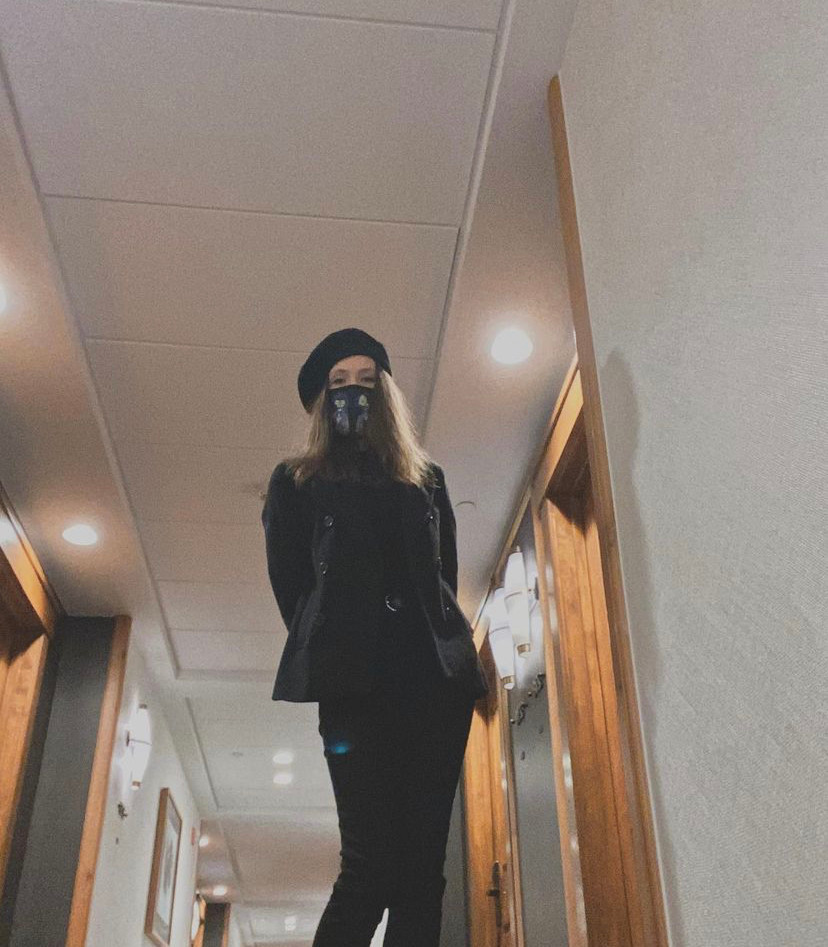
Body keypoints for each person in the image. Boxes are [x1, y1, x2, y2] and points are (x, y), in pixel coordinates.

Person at [261, 327, 489, 947]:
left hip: (433, 688)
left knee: (422, 874)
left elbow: (442, 582)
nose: (353, 392)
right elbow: (294, 592)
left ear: (386, 393)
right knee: (368, 868)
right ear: (321, 400)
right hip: (353, 689)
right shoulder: (296, 482)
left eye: (367, 380)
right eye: (339, 382)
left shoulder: (426, 479)